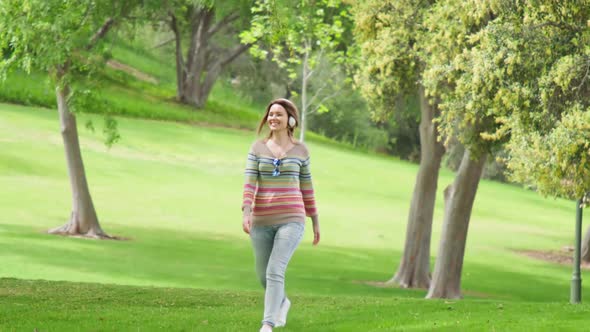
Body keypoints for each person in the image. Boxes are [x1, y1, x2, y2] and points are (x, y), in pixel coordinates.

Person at [242, 98, 320, 332]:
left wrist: (314, 220)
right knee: (263, 275)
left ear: (291, 120)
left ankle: (267, 323)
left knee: (275, 269)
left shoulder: (301, 150)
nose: (273, 118)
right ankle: (283, 302)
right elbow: (250, 183)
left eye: (279, 114)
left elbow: (307, 187)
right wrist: (246, 212)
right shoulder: (257, 148)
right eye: (271, 114)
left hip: (292, 220)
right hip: (261, 220)